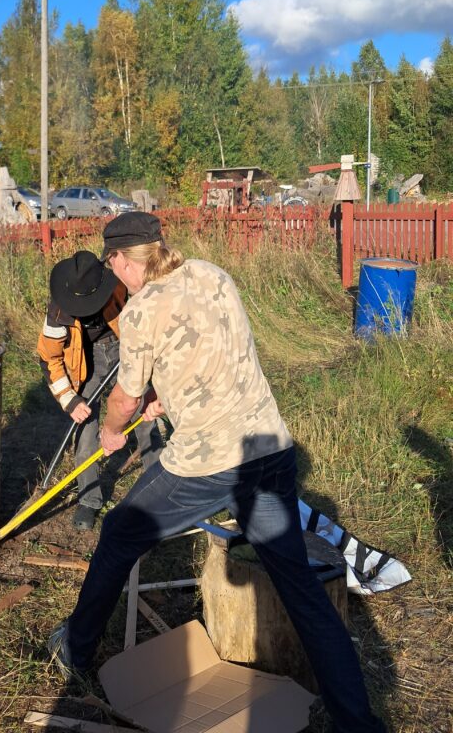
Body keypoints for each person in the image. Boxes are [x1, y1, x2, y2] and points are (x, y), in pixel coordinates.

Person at [48, 212, 386, 733]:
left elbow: (123, 398)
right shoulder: (212, 273)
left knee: (117, 534)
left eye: (112, 263)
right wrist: (169, 393)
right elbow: (212, 353)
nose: (113, 273)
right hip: (268, 446)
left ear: (120, 258)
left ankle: (75, 647)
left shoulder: (140, 312)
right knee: (297, 586)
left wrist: (115, 431)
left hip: (208, 462)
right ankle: (357, 723)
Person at [37, 249, 163, 530]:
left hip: (124, 349)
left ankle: (159, 488)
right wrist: (69, 399)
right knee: (85, 432)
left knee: (144, 418)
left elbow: (145, 314)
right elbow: (49, 358)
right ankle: (89, 499)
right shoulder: (58, 313)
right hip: (87, 363)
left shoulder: (117, 283)